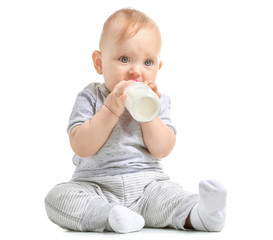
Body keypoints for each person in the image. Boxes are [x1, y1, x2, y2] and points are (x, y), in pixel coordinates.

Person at [45, 8, 227, 234]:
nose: (136, 71)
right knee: (57, 198)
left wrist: (149, 114)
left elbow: (162, 149)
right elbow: (81, 146)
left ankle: (203, 215)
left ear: (158, 68)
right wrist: (110, 109)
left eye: (148, 62)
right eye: (124, 59)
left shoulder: (159, 102)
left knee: (172, 197)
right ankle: (110, 216)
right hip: (96, 187)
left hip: (148, 188)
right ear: (99, 63)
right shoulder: (91, 97)